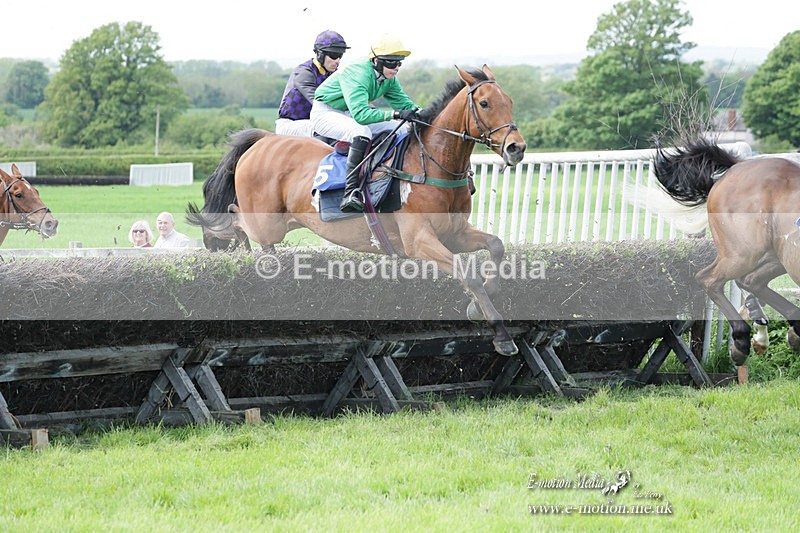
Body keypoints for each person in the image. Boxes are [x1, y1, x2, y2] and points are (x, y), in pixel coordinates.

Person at [311, 34, 421, 212]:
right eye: (392, 63)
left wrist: (428, 117)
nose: (396, 68)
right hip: (326, 112)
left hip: (349, 112)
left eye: (399, 63)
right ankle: (351, 192)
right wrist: (394, 114)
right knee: (361, 132)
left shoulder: (389, 78)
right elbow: (362, 115)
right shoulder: (359, 73)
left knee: (402, 130)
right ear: (376, 61)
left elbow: (406, 105)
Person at [275, 30, 349, 137]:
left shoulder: (334, 75)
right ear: (319, 54)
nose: (337, 61)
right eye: (333, 55)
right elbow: (320, 103)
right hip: (290, 125)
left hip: (310, 123)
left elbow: (350, 95)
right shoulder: (304, 72)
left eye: (340, 56)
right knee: (328, 128)